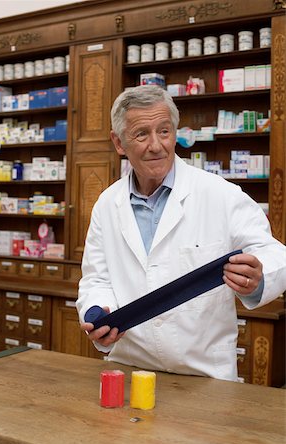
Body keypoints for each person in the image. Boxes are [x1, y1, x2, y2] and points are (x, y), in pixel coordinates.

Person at [76, 85, 286, 382]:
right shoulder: (108, 204)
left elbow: (275, 252)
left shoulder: (220, 195)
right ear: (119, 142)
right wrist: (98, 311)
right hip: (130, 368)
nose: (156, 145)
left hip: (204, 374)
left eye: (164, 131)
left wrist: (258, 276)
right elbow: (97, 278)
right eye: (141, 134)